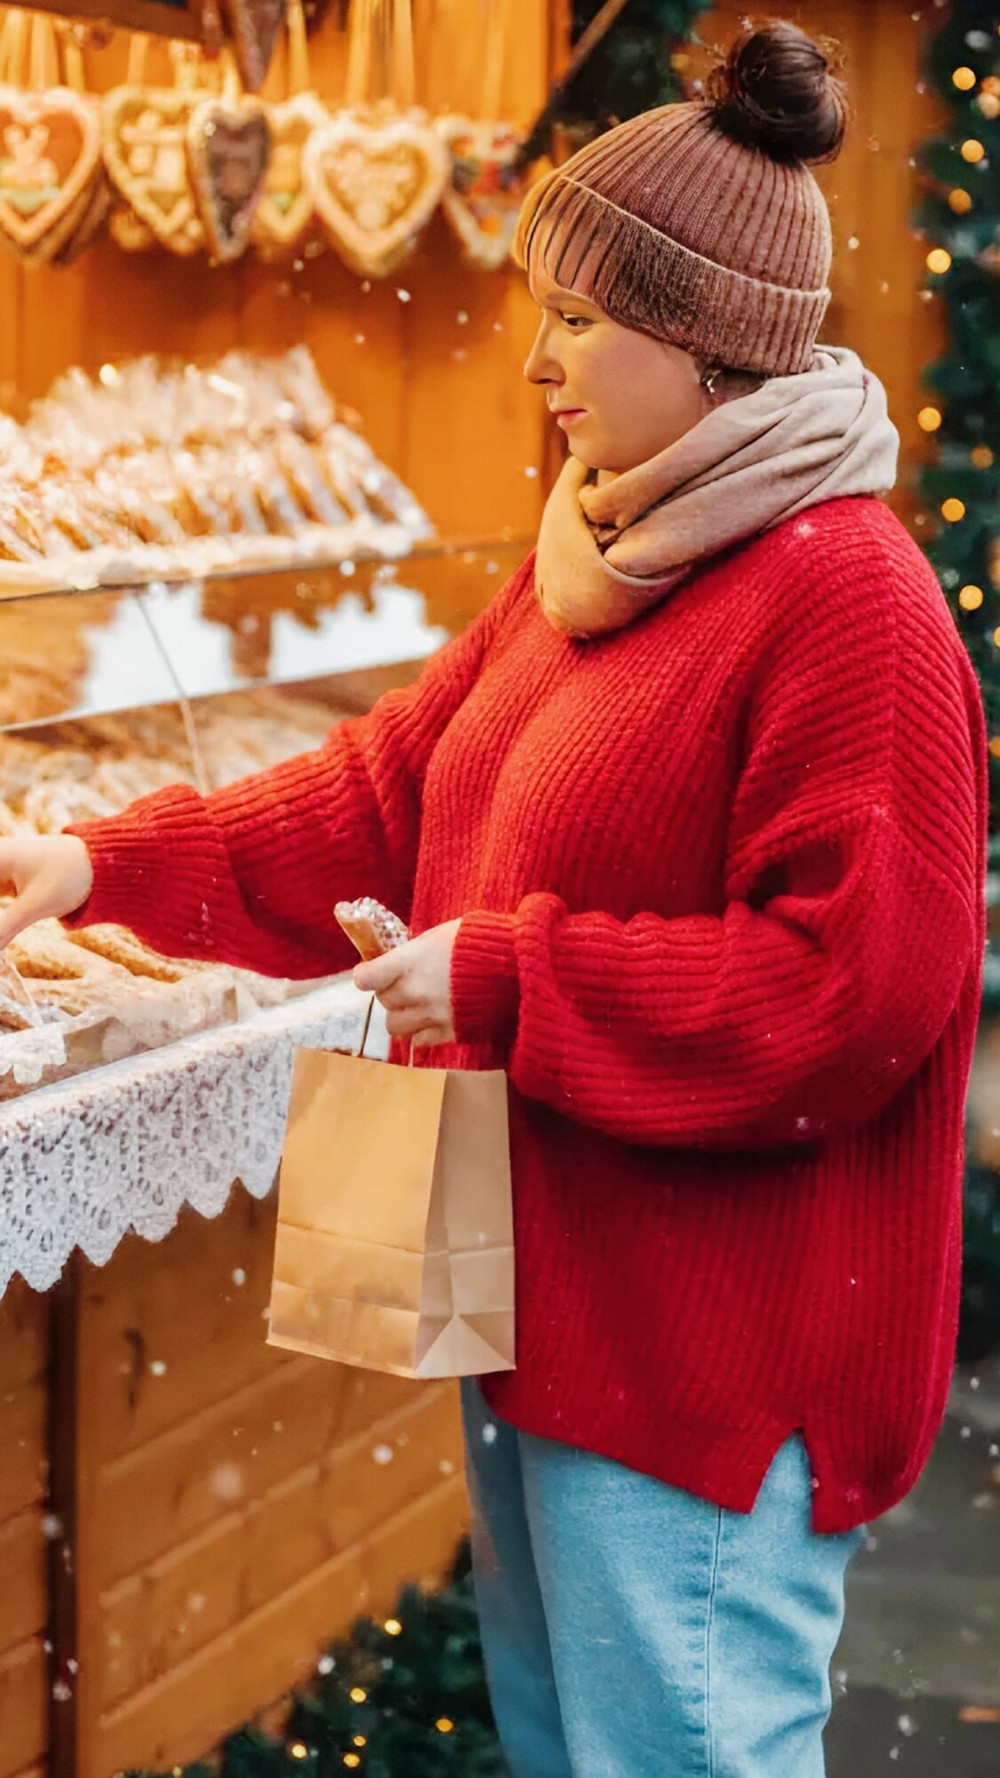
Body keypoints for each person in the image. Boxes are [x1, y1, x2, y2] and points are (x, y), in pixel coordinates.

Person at [0, 21, 986, 1778]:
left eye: (581, 321)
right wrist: (103, 861)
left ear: (705, 347)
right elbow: (393, 788)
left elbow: (851, 994)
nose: (540, 360)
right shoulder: (608, 552)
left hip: (706, 1375)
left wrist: (520, 980)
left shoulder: (850, 600)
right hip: (560, 1330)